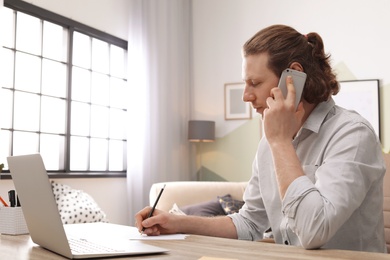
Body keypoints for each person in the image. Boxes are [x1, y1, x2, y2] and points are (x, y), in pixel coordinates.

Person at [135, 24, 386, 252]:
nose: (245, 96)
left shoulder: (352, 134)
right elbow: (249, 222)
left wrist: (280, 143)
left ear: (293, 78)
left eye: (254, 83)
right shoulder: (270, 140)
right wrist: (176, 222)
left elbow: (314, 231)